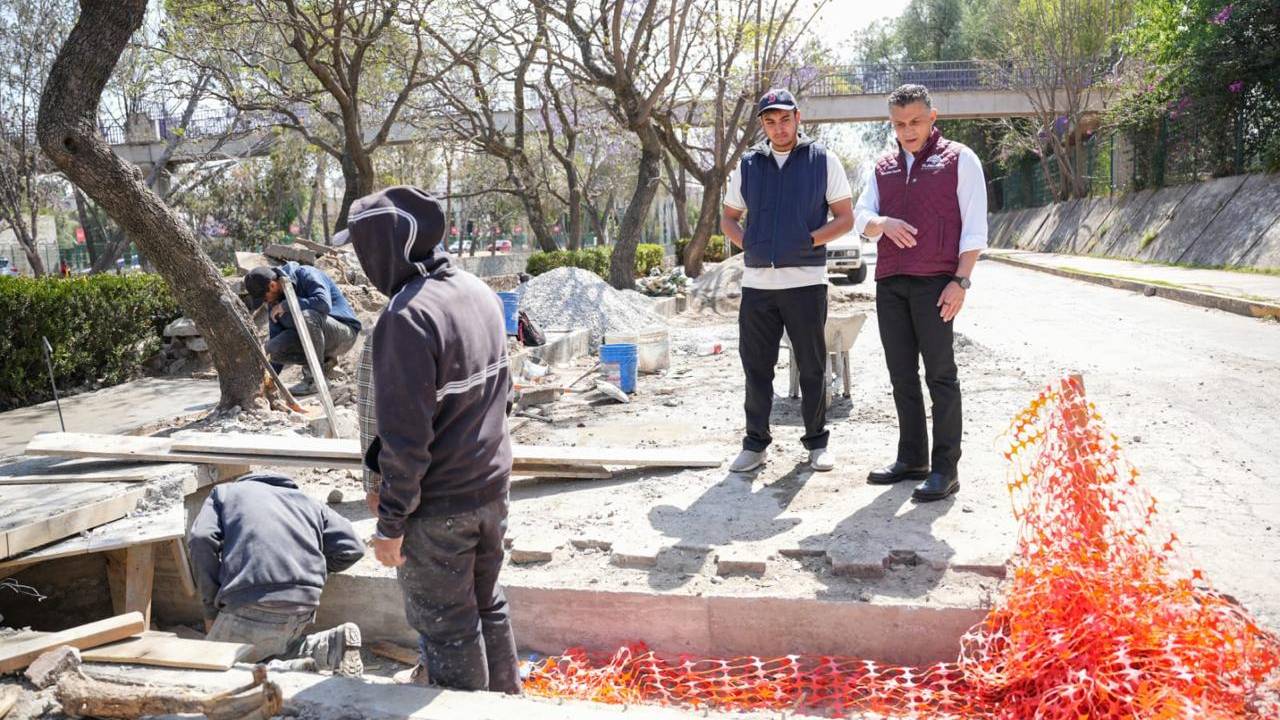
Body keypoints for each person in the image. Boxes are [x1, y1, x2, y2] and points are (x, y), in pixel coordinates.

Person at [339, 185, 521, 694]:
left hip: (439, 508)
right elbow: (503, 396)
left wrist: (391, 523)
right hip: (491, 489)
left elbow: (406, 441)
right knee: (488, 603)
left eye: (361, 246)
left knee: (447, 627)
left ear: (383, 247)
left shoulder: (406, 317)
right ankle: (508, 704)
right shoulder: (475, 291)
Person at [854, 84, 988, 502]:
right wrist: (882, 224)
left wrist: (960, 281)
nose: (907, 131)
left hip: (936, 282)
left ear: (933, 116)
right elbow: (861, 216)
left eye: (914, 121)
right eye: (898, 124)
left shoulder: (960, 159)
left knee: (941, 375)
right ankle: (912, 457)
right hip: (890, 281)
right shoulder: (882, 166)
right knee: (900, 375)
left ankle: (946, 469)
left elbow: (974, 229)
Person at [721, 88, 855, 474]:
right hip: (757, 286)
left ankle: (816, 443)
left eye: (784, 119)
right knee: (756, 367)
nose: (778, 128)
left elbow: (844, 218)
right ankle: (755, 443)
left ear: (798, 118)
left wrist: (808, 240)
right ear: (762, 124)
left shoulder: (822, 160)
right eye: (769, 121)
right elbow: (729, 217)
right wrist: (753, 242)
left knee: (812, 366)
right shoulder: (749, 165)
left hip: (806, 281)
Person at [188, 472, 366, 675]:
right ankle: (328, 646)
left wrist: (210, 609)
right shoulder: (310, 502)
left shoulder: (225, 493)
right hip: (302, 607)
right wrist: (309, 571)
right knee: (269, 646)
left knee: (210, 672)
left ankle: (281, 669)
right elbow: (353, 548)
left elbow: (200, 539)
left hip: (251, 603)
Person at [243, 262, 362, 395]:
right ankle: (325, 364)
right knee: (272, 348)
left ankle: (314, 379)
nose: (266, 302)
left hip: (344, 333)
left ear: (272, 285)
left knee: (307, 316)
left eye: (264, 297)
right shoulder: (274, 302)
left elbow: (323, 304)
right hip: (317, 339)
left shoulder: (307, 274)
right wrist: (268, 380)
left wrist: (287, 305)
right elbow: (276, 342)